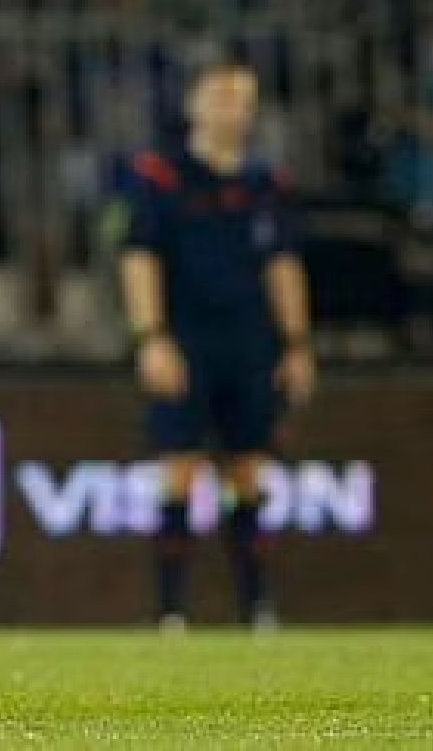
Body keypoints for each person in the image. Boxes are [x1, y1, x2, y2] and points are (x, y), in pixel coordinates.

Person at [116, 58, 316, 630]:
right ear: (195, 105)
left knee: (249, 471)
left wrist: (297, 343)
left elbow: (284, 265)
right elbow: (140, 258)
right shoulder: (160, 178)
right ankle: (172, 612)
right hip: (186, 340)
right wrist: (151, 337)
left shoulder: (266, 186)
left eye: (245, 99)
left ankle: (258, 609)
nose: (235, 110)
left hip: (249, 343)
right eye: (223, 97)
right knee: (178, 467)